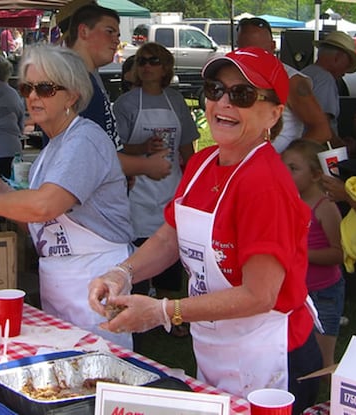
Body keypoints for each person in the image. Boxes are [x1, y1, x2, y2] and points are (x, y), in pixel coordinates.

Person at [88, 47, 322, 414]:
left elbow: (260, 295)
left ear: (274, 114)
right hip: (217, 343)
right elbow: (170, 236)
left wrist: (163, 311)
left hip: (270, 358)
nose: (224, 103)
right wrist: (123, 272)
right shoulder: (201, 163)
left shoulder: (264, 182)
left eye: (242, 95)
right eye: (215, 90)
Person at [0, 45, 134, 349]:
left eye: (45, 88)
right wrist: (2, 192)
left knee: (98, 369)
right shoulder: (53, 147)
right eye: (27, 87)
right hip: (62, 281)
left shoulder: (84, 139)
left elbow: (45, 205)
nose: (32, 97)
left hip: (93, 281)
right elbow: (38, 217)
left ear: (71, 96)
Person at [113, 43, 198, 340]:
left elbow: (187, 145)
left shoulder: (176, 102)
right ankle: (132, 309)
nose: (147, 66)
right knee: (137, 248)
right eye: (141, 61)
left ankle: (170, 314)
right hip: (138, 187)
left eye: (154, 61)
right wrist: (144, 149)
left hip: (171, 184)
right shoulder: (124, 104)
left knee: (172, 249)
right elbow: (117, 149)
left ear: (166, 68)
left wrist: (191, 180)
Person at [65, 3, 171, 182]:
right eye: (109, 31)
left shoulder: (89, 77)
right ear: (83, 31)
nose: (116, 40)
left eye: (118, 35)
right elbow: (90, 154)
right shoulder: (74, 81)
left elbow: (104, 144)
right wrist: (146, 166)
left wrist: (123, 171)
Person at [281, 139, 344, 373]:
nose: (285, 173)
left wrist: (300, 254)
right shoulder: (286, 202)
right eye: (283, 166)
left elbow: (339, 253)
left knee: (322, 360)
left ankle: (330, 404)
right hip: (295, 290)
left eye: (294, 169)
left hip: (323, 292)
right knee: (296, 357)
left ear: (317, 175)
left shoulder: (324, 206)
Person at [236, 17, 331, 152]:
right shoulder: (236, 77)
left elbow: (322, 130)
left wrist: (287, 160)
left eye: (259, 52)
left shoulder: (292, 80)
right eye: (244, 51)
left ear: (273, 46)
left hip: (276, 166)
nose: (252, 58)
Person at [302, 31, 356, 140]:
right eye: (347, 64)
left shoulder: (305, 72)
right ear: (337, 57)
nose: (345, 72)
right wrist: (340, 146)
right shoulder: (325, 79)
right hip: (318, 150)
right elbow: (323, 124)